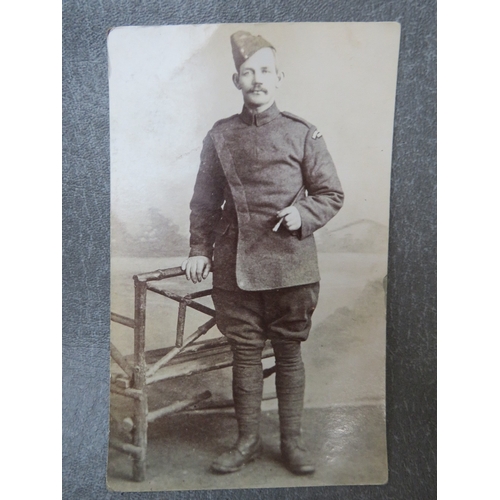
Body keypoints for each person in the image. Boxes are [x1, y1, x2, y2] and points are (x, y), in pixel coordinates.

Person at [181, 30, 344, 475]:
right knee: (246, 355)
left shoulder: (302, 133)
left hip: (291, 264)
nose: (258, 80)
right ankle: (247, 442)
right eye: (248, 72)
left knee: (289, 354)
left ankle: (293, 443)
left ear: (279, 77)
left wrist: (302, 214)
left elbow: (330, 193)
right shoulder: (220, 136)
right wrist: (199, 249)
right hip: (235, 269)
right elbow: (203, 201)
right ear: (236, 80)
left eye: (266, 71)